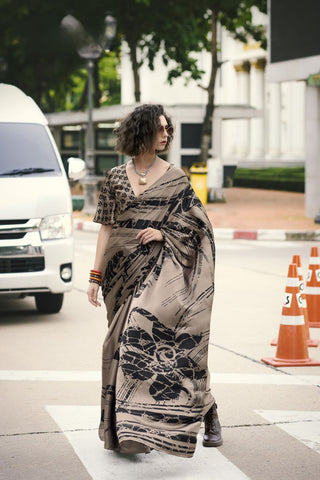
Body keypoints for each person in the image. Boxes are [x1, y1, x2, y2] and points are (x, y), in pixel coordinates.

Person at [87, 104, 222, 458]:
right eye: (160, 129)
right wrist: (94, 275)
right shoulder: (116, 176)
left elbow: (198, 226)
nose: (166, 135)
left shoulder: (176, 178)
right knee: (116, 350)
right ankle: (125, 431)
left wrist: (164, 234)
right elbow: (105, 228)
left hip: (160, 276)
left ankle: (205, 410)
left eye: (168, 129)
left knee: (143, 347)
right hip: (119, 276)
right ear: (142, 131)